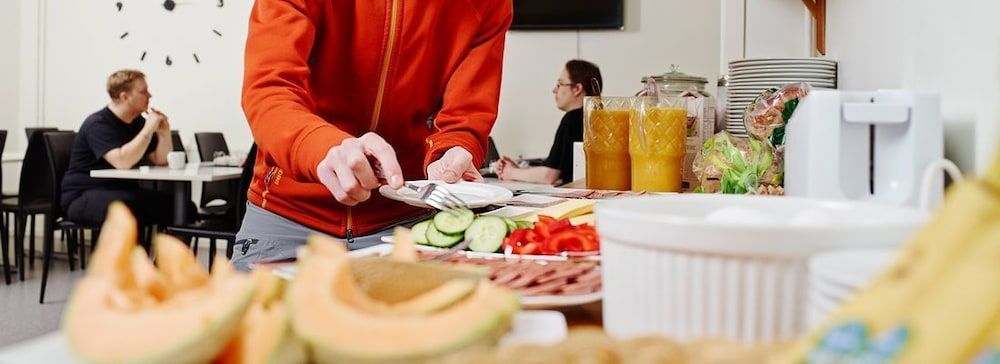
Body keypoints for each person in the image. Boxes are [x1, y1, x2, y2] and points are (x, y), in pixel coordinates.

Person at [233, 0, 513, 270]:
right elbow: (270, 90)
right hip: (289, 215)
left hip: (403, 220)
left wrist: (455, 150)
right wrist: (322, 147)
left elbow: (467, 115)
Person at [61, 69, 177, 226]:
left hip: (120, 191)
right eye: (143, 91)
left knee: (179, 207)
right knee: (130, 208)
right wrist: (149, 129)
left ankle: (171, 251)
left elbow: (160, 160)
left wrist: (164, 133)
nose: (150, 96)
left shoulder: (137, 123)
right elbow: (122, 162)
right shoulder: (98, 124)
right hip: (83, 195)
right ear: (125, 97)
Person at [496, 59, 602, 185]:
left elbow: (549, 176)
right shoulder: (597, 118)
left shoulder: (573, 119)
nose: (554, 90)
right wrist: (518, 170)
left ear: (577, 89)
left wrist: (510, 172)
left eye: (560, 84)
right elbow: (559, 170)